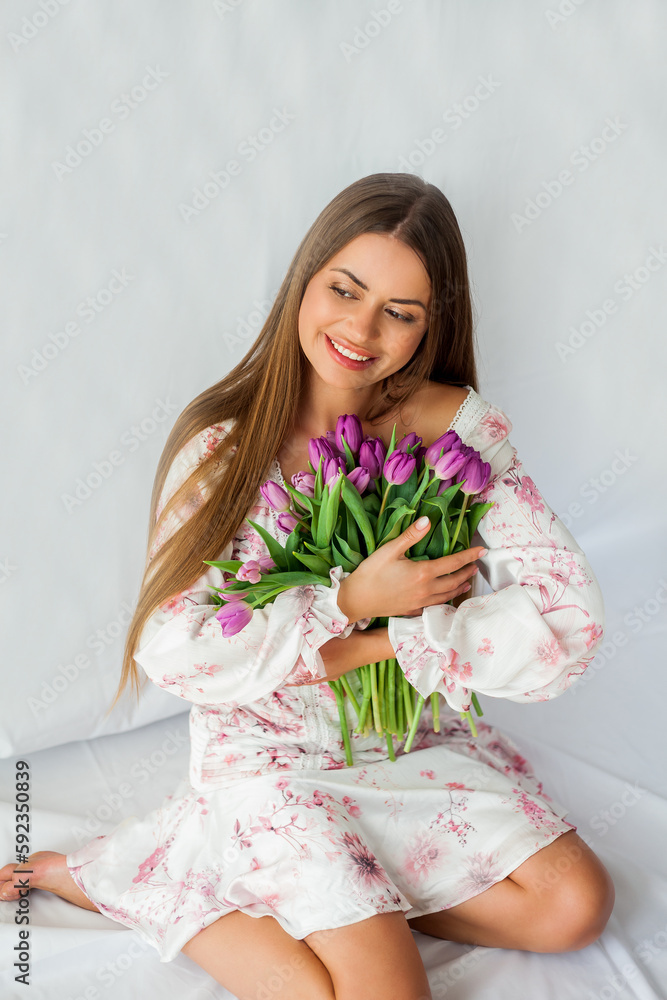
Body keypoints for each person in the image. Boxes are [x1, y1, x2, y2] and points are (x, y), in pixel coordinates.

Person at [0, 173, 614, 999]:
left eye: (400, 312)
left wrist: (399, 634)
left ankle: (360, 889)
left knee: (573, 908)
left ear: (434, 324)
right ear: (305, 279)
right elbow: (177, 650)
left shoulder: (453, 435)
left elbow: (566, 622)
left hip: (406, 747)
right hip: (268, 764)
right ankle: (152, 875)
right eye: (344, 289)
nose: (361, 329)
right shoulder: (226, 447)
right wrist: (352, 605)